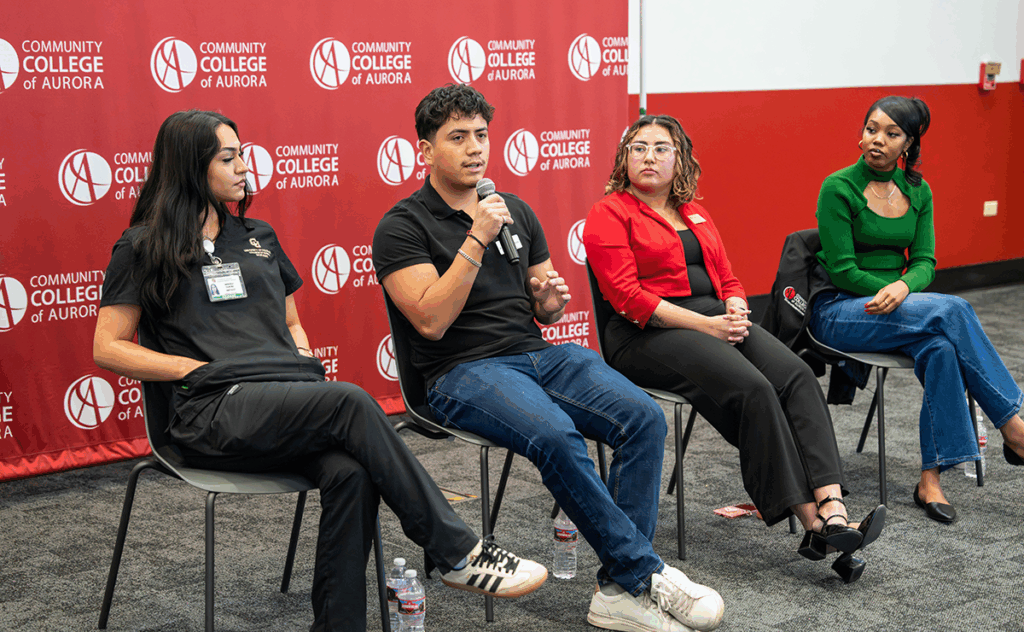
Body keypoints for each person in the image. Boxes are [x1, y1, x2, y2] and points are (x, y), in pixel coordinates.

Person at [92, 110, 548, 632]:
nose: (243, 167)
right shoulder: (142, 245)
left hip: (279, 401)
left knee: (351, 471)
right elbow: (108, 347)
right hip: (210, 412)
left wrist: (301, 360)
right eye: (228, 158)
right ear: (190, 167)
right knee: (349, 400)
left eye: (242, 154)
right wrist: (193, 369)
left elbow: (290, 321)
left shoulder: (257, 235)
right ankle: (458, 550)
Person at [372, 84, 725, 632]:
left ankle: (617, 592)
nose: (475, 148)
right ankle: (642, 575)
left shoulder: (514, 209)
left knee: (643, 418)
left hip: (535, 353)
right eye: (458, 137)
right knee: (557, 435)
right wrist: (475, 238)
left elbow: (544, 306)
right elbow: (430, 321)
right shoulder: (402, 226)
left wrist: (549, 302)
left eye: (481, 135)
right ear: (425, 150)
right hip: (458, 372)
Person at [583, 114, 886, 584]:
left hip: (714, 319)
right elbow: (628, 298)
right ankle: (813, 525)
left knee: (797, 376)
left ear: (680, 159)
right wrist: (708, 325)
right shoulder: (609, 213)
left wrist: (737, 308)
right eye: (638, 148)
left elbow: (728, 278)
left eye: (661, 148)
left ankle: (834, 507)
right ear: (624, 159)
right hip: (644, 334)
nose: (649, 157)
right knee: (753, 389)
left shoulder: (694, 212)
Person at [809, 96, 1024, 523]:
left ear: (907, 144)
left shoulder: (918, 191)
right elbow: (844, 270)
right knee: (954, 310)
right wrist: (894, 290)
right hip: (841, 309)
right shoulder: (838, 187)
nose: (877, 140)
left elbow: (925, 261)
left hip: (898, 306)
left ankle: (930, 480)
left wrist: (904, 286)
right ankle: (1014, 427)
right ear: (861, 135)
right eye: (871, 129)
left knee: (941, 348)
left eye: (891, 134)